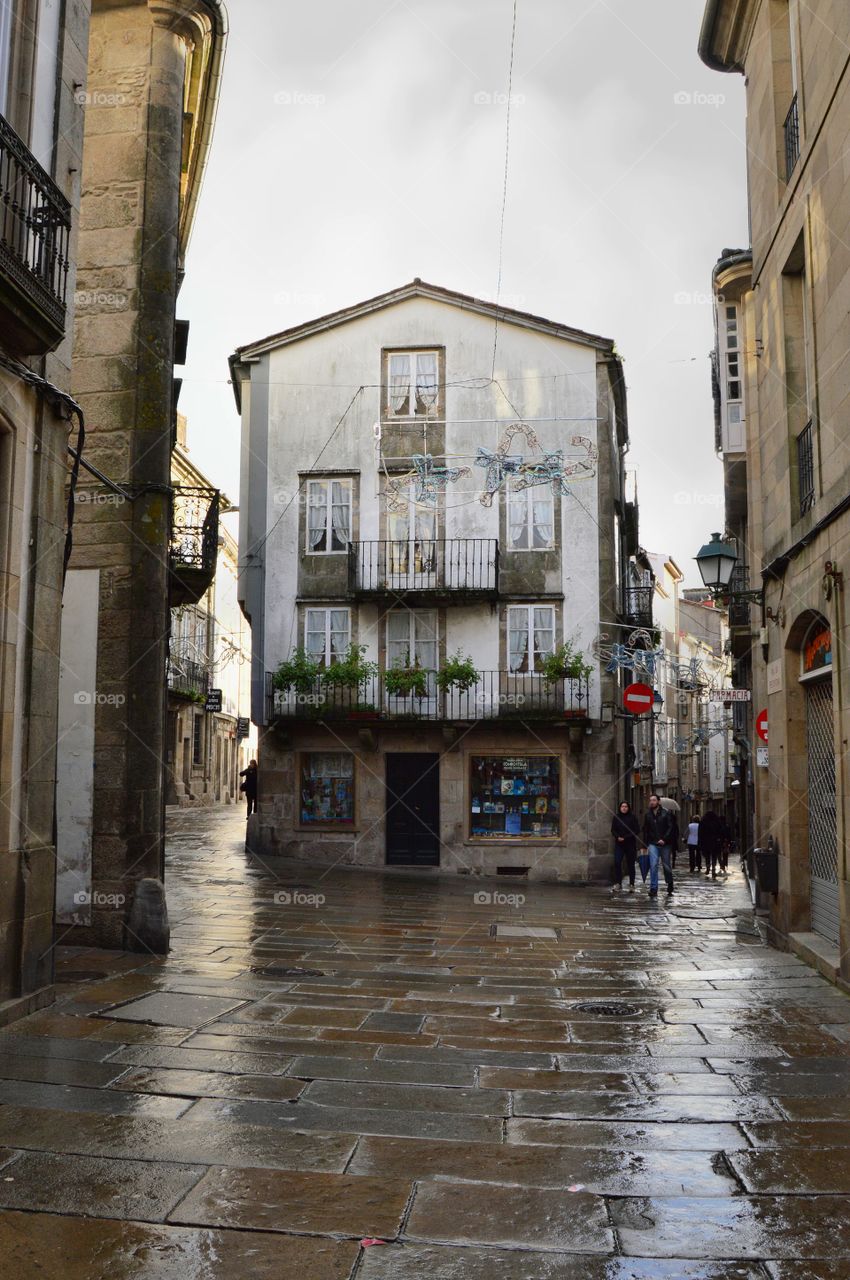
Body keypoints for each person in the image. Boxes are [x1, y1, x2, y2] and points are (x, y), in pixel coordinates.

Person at [641, 794, 675, 898]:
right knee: (653, 865)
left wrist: (664, 839)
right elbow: (646, 830)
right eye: (650, 800)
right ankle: (653, 888)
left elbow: (671, 827)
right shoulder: (648, 815)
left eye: (654, 800)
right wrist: (645, 843)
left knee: (666, 866)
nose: (652, 802)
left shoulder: (667, 813)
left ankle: (669, 883)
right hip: (653, 843)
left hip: (665, 844)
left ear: (658, 802)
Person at [611, 801, 641, 892]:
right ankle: (618, 883)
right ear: (620, 808)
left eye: (626, 806)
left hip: (630, 844)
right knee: (617, 862)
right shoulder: (616, 817)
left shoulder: (632, 817)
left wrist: (626, 837)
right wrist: (617, 837)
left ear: (628, 808)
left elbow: (636, 830)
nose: (624, 808)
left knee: (630, 864)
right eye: (622, 806)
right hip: (619, 844)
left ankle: (632, 884)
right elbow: (613, 829)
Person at [699, 807, 724, 879]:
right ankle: (713, 868)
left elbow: (700, 832)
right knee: (714, 856)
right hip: (715, 842)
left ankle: (707, 868)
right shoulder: (717, 822)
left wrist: (700, 841)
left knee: (707, 856)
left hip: (706, 842)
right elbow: (720, 831)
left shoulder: (703, 822)